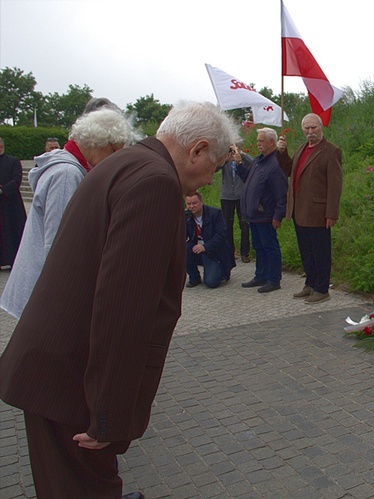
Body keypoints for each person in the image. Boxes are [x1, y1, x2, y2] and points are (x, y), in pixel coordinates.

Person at [0, 101, 239, 498]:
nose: (209, 181)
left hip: (55, 368)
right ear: (196, 149)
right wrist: (107, 415)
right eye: (213, 167)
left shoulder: (126, 162)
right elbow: (122, 309)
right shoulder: (156, 182)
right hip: (73, 383)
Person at [1, 108, 137, 319]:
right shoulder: (67, 174)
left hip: (40, 291)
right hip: (46, 297)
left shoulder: (66, 167)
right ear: (96, 142)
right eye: (113, 152)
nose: (115, 161)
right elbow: (58, 244)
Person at [277, 113, 343, 304]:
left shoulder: (331, 151)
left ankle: (322, 289)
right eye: (307, 128)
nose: (310, 131)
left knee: (320, 251)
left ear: (321, 127)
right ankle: (310, 283)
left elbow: (335, 185)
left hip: (318, 212)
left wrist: (332, 213)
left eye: (314, 127)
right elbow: (289, 171)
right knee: (306, 250)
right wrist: (282, 153)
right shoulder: (301, 149)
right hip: (299, 209)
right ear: (303, 130)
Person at [237, 128, 287, 293]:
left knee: (270, 247)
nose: (258, 144)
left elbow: (281, 193)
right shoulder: (258, 161)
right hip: (254, 214)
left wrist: (278, 215)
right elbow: (248, 178)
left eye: (261, 141)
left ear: (271, 142)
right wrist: (238, 164)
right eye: (258, 141)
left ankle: (273, 279)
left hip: (266, 214)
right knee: (258, 246)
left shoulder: (275, 164)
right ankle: (261, 275)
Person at [185, 191, 235, 288]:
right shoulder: (186, 216)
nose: (191, 207)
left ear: (201, 202)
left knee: (211, 283)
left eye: (194, 203)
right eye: (189, 204)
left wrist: (205, 247)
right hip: (197, 248)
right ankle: (194, 277)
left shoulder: (215, 213)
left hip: (214, 251)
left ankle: (221, 270)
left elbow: (221, 235)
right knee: (184, 249)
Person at [215, 148, 251, 263]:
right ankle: (230, 251)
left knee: (244, 224)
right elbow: (215, 168)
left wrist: (241, 154)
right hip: (227, 196)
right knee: (227, 224)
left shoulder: (242, 158)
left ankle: (245, 252)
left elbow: (253, 162)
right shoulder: (225, 158)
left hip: (241, 196)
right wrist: (226, 159)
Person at [0, 137, 27, 269]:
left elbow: (17, 179)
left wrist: (2, 190)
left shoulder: (13, 161)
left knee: (11, 231)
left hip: (10, 203)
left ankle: (13, 260)